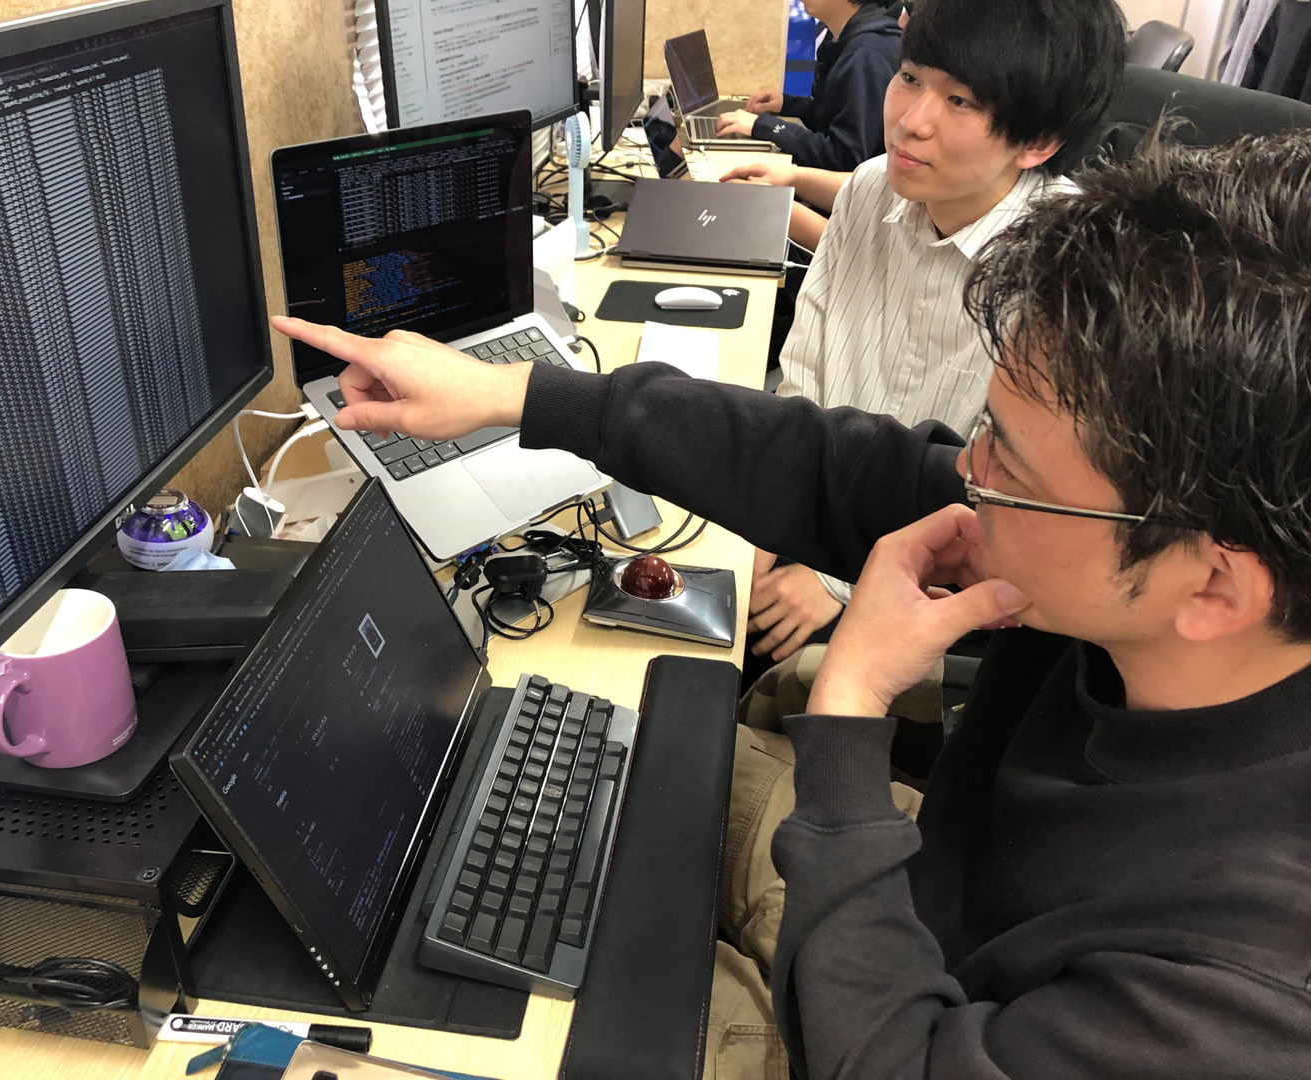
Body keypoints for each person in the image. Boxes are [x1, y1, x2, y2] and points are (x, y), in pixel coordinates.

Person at [271, 127, 1311, 1078]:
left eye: (1012, 469)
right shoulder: (1146, 557)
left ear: (1216, 588)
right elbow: (835, 468)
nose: (970, 471)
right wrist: (521, 396)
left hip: (903, 1030)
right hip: (929, 891)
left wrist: (850, 710)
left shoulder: (1240, 996)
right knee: (568, 779)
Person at [731, 0, 1126, 678]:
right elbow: (806, 372)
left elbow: (1010, 513)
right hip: (813, 515)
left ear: (1038, 142)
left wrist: (837, 582)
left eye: (960, 101)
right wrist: (769, 517)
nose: (911, 120)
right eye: (910, 77)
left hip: (941, 590)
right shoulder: (869, 190)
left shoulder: (1072, 277)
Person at [714, 0, 902, 171]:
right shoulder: (846, 39)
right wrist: (787, 104)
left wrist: (763, 126)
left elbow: (844, 159)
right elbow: (833, 116)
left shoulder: (865, 53)